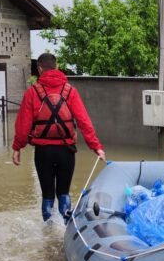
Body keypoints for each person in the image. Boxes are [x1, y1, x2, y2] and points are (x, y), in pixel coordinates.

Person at [13, 53, 105, 221]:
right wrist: (96, 146)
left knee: (48, 195)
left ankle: (48, 234)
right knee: (63, 192)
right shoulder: (70, 91)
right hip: (66, 151)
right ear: (57, 66)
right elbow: (84, 121)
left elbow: (23, 126)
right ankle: (65, 227)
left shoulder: (32, 93)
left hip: (43, 152)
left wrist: (17, 148)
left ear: (40, 69)